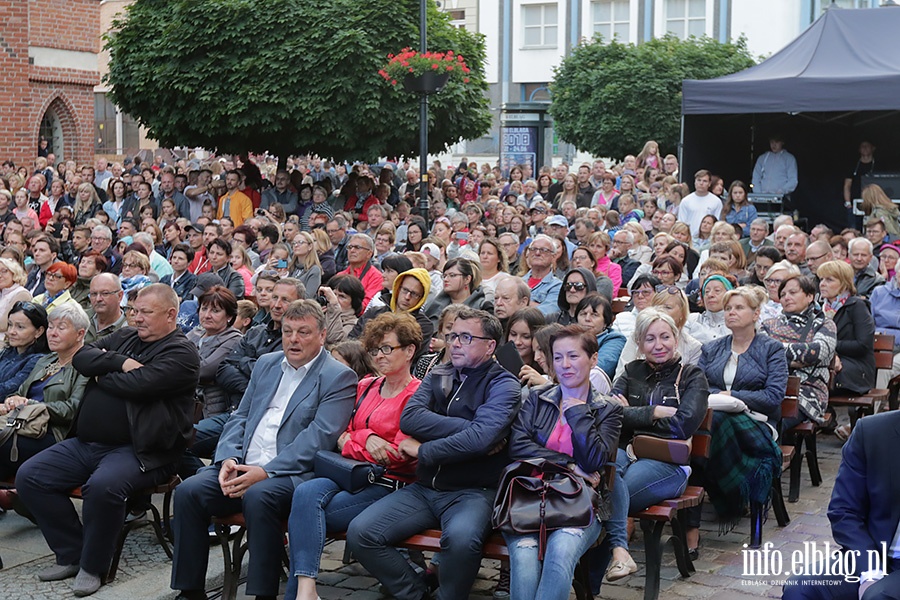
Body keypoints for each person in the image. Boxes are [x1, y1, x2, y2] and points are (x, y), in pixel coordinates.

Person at [16, 285, 200, 596]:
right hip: (87, 443)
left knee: (103, 487)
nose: (137, 318)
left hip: (142, 450)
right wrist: (122, 363)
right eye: (134, 311)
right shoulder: (127, 337)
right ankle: (73, 553)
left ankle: (93, 566)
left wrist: (104, 371)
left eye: (145, 312)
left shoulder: (181, 353)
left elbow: (140, 386)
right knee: (31, 476)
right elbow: (83, 357)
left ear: (171, 315)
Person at [170, 300, 357, 600]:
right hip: (244, 463)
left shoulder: (338, 376)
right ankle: (190, 592)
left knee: (260, 496)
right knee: (189, 491)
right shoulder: (267, 364)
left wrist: (265, 472)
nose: (293, 339)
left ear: (322, 335)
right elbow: (240, 416)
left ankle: (262, 593)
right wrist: (228, 458)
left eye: (303, 332)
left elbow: (319, 437)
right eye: (288, 331)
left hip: (291, 474)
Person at [347, 308, 521, 600]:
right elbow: (411, 419)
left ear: (490, 345)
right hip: (425, 488)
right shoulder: (439, 374)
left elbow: (479, 439)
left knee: (462, 541)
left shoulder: (503, 385)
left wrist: (425, 449)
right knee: (362, 533)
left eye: (466, 337)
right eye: (452, 335)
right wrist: (472, 429)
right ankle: (415, 593)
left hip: (474, 491)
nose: (454, 343)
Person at [284, 312, 422, 600]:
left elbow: (396, 455)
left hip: (387, 483)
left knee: (309, 515)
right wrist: (367, 438)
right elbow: (339, 433)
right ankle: (306, 591)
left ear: (409, 351)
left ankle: (299, 595)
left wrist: (354, 439)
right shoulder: (366, 386)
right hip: (345, 471)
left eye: (387, 348)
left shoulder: (417, 394)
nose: (380, 356)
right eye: (374, 350)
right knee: (305, 493)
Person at [505, 325, 622, 600]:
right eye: (558, 357)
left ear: (593, 359)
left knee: (560, 553)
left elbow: (593, 460)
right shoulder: (537, 398)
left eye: (573, 356)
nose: (564, 365)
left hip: (580, 504)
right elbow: (518, 446)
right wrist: (568, 465)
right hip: (528, 498)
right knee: (523, 558)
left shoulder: (608, 408)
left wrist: (578, 412)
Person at [602, 309, 709, 582]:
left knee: (610, 490)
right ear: (639, 344)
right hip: (626, 452)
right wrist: (653, 413)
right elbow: (606, 414)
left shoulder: (692, 377)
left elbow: (683, 425)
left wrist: (631, 416)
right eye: (649, 339)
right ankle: (618, 556)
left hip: (668, 461)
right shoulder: (631, 371)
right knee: (604, 479)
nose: (658, 345)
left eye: (664, 336)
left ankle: (610, 556)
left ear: (676, 338)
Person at [688, 286, 788, 554]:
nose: (731, 312)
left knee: (708, 429)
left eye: (739, 307)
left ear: (756, 314)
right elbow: (697, 388)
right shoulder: (712, 349)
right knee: (709, 424)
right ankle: (725, 496)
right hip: (717, 418)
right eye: (729, 308)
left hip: (756, 422)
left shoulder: (772, 349)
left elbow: (773, 397)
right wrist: (719, 397)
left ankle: (727, 497)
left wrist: (733, 396)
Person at [782, 410, 900, 598]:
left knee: (878, 596)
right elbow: (844, 510)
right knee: (800, 589)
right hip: (874, 551)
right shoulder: (872, 431)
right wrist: (870, 571)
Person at [0, 303, 90, 485]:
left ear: (80, 334)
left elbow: (72, 410)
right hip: (19, 423)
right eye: (51, 326)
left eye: (61, 328)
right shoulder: (46, 360)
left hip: (52, 434)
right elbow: (19, 392)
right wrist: (12, 400)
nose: (53, 333)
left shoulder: (85, 366)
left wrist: (30, 405)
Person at [761, 275, 836, 428]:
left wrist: (776, 351)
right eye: (783, 295)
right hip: (770, 386)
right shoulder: (768, 325)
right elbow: (759, 352)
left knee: (773, 420)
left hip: (807, 392)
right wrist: (795, 360)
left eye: (793, 292)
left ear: (809, 296)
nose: (787, 297)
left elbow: (817, 352)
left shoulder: (825, 324)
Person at [818, 260, 876, 440]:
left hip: (856, 368)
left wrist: (830, 347)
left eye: (829, 279)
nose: (822, 284)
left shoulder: (857, 306)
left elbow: (863, 345)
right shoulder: (819, 308)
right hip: (829, 365)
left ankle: (825, 419)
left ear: (843, 283)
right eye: (821, 279)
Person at [0, 300, 50, 398]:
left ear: (39, 331)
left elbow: (9, 389)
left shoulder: (39, 360)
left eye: (20, 327)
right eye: (10, 325)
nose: (11, 331)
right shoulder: (9, 351)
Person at [575, 293, 626, 380]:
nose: (587, 319)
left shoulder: (615, 339)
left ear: (606, 322)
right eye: (583, 314)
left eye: (594, 315)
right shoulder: (568, 337)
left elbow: (599, 368)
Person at [679, 170, 723, 238]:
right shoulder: (686, 201)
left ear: (709, 183)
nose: (701, 183)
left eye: (704, 181)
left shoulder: (716, 201)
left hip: (708, 239)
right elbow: (681, 223)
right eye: (699, 180)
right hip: (690, 238)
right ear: (695, 182)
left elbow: (717, 223)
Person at [0, 257, 32, 342]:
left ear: (14, 273)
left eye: (4, 271)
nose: (0, 275)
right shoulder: (2, 293)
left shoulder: (21, 294)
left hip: (6, 343)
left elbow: (4, 325)